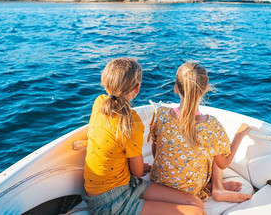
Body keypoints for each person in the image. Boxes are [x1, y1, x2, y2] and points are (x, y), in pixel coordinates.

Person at [83, 58, 205, 215]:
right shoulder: (131, 122)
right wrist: (136, 166)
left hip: (124, 184)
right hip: (108, 203)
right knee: (196, 211)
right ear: (137, 88)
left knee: (195, 203)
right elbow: (138, 172)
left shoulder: (99, 102)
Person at [149, 61, 252, 203]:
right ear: (206, 89)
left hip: (160, 183)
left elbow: (156, 150)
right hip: (190, 190)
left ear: (176, 89)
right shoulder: (211, 125)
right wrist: (238, 136)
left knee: (205, 148)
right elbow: (223, 164)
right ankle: (217, 188)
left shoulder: (160, 114)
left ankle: (212, 186)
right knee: (216, 149)